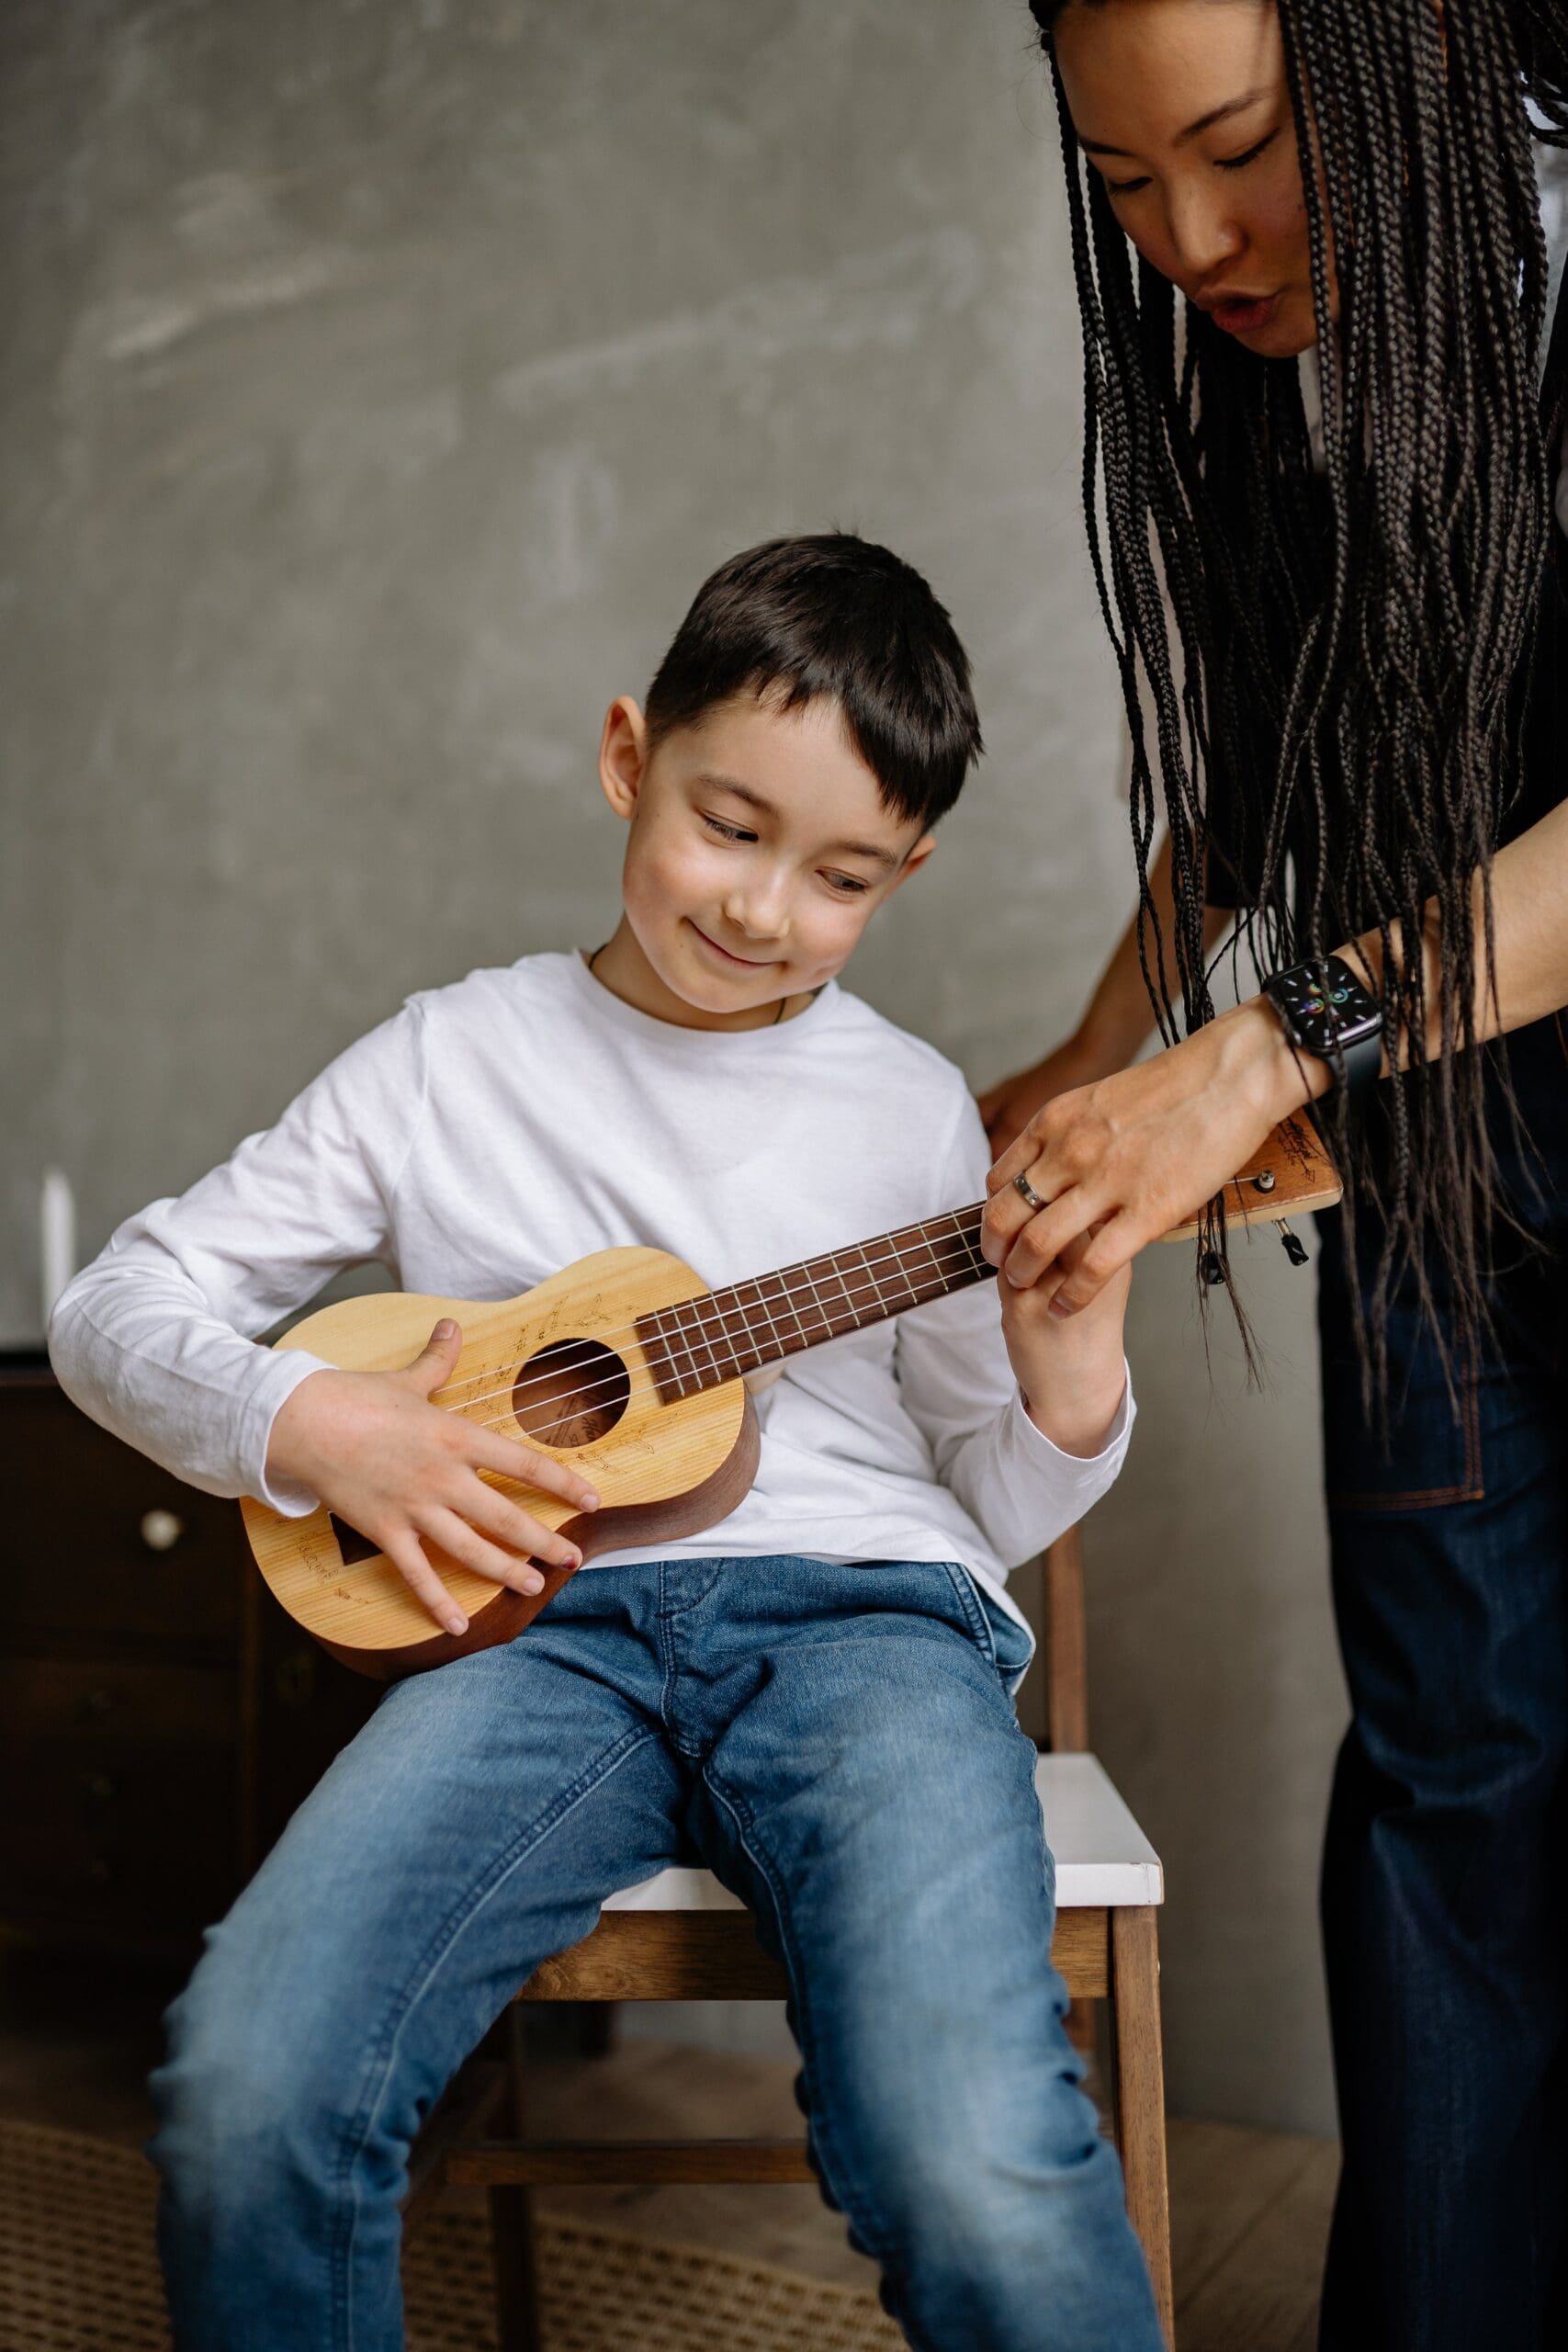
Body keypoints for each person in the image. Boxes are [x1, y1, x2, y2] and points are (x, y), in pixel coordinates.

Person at [50, 531, 1164, 2352]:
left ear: (907, 874)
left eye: (840, 877)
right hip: (545, 1634)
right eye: (728, 825)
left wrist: (1068, 1369)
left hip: (865, 1624)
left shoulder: (907, 1110)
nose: (760, 907)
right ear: (626, 755)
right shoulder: (445, 1060)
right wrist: (320, 1420)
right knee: (251, 2086)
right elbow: (118, 1306)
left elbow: (996, 1491)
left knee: (968, 2145)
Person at [979, 7, 1568, 2350]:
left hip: (1378, 1053)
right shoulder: (1274, 339)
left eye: (1234, 150)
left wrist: (1261, 1047)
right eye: (1123, 183)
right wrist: (1090, 1047)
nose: (1193, 241)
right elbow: (1283, 736)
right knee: (1457, 1791)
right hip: (1439, 1175)